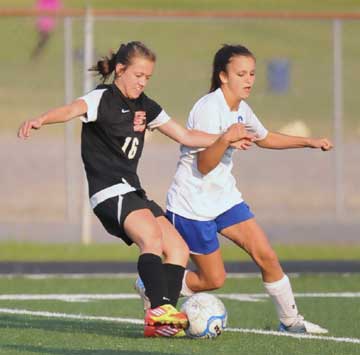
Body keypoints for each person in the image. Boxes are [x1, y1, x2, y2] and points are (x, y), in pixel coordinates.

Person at [18, 41, 252, 338]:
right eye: (138, 75)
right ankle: (159, 312)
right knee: (151, 238)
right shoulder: (102, 98)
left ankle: (162, 317)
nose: (142, 82)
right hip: (108, 190)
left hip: (133, 191)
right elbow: (71, 109)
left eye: (148, 77)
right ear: (120, 70)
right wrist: (41, 119)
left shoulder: (146, 106)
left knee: (178, 249)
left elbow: (186, 135)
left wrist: (225, 137)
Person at [136, 44, 333, 334]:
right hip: (193, 205)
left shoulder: (241, 107)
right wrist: (226, 140)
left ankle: (291, 322)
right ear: (223, 76)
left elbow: (264, 138)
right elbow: (203, 164)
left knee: (266, 255)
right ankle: (154, 286)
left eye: (252, 73)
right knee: (213, 280)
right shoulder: (208, 108)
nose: (249, 80)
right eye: (241, 73)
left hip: (225, 199)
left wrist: (308, 142)